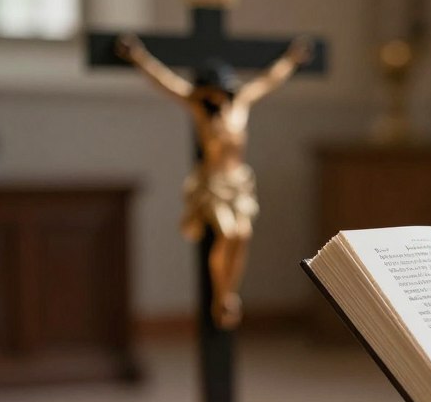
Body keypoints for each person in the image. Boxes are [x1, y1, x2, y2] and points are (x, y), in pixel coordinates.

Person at [115, 34, 313, 329]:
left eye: (220, 91)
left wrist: (290, 61)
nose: (216, 97)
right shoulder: (199, 109)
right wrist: (139, 57)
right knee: (227, 233)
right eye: (211, 92)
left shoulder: (240, 105)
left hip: (239, 183)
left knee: (243, 233)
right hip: (214, 185)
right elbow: (165, 81)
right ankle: (221, 296)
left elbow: (268, 81)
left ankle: (230, 292)